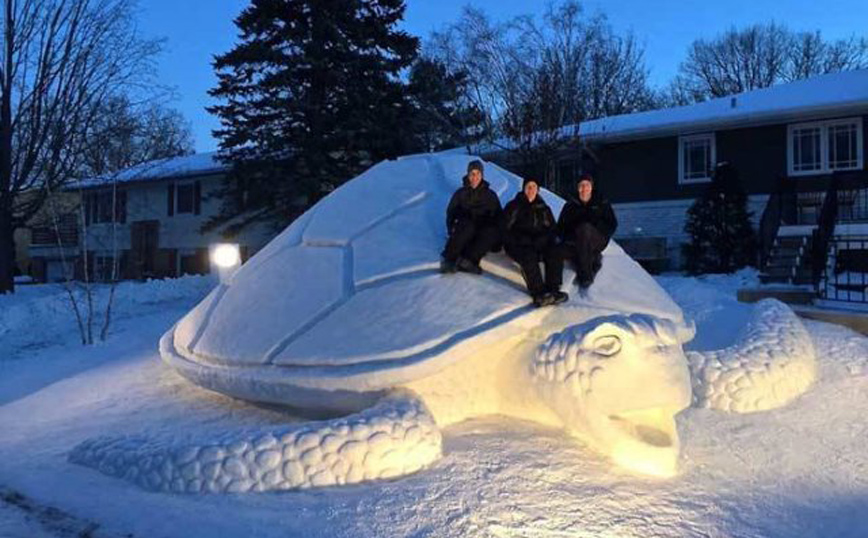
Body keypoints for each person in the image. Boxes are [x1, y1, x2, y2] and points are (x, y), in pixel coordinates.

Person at [502, 178, 569, 307]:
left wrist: (547, 239)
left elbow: (552, 229)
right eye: (528, 187)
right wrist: (515, 240)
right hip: (518, 244)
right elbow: (504, 228)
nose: (531, 190)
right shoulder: (514, 206)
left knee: (555, 251)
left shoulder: (543, 208)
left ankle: (553, 290)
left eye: (534, 187)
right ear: (523, 189)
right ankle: (539, 293)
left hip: (539, 243)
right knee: (528, 255)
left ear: (538, 190)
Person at [441, 160, 502, 274]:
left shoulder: (490, 195)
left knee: (491, 231)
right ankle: (449, 259)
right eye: (472, 174)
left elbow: (499, 216)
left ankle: (468, 261)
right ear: (468, 175)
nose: (475, 177)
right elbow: (451, 212)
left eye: (478, 174)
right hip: (464, 230)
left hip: (481, 233)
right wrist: (451, 229)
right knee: (467, 225)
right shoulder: (460, 194)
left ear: (482, 175)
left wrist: (497, 240)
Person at [557, 173, 617, 289]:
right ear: (578, 187)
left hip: (597, 239)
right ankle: (556, 287)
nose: (584, 188)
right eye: (581, 185)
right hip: (576, 241)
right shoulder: (570, 205)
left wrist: (597, 227)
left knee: (585, 228)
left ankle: (585, 276)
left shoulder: (601, 202)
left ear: (591, 187)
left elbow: (612, 223)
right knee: (556, 250)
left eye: (587, 185)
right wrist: (569, 235)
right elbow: (561, 227)